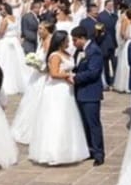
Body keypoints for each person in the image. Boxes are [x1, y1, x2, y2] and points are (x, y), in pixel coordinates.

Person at [27, 32, 89, 166]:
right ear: (61, 42)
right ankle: (53, 153)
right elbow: (54, 73)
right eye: (67, 40)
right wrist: (68, 75)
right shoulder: (54, 56)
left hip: (67, 90)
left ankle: (68, 150)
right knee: (57, 118)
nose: (69, 43)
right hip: (57, 90)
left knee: (67, 118)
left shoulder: (67, 54)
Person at [70, 26, 105, 165]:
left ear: (82, 38)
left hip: (90, 93)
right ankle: (89, 149)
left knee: (93, 124)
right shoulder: (79, 51)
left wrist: (75, 77)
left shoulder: (94, 51)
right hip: (80, 92)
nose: (73, 43)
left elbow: (93, 72)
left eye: (75, 40)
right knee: (84, 123)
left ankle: (98, 153)